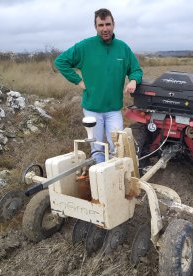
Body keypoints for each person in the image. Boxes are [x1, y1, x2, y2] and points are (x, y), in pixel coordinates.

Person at [54, 8, 143, 163]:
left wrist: (134, 80)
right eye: (101, 25)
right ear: (95, 27)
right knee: (97, 149)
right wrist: (78, 81)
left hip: (114, 110)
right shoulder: (85, 47)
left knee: (117, 148)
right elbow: (60, 62)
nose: (105, 29)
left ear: (113, 24)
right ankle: (100, 180)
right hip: (92, 109)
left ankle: (117, 181)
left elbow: (136, 69)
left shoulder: (123, 48)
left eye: (108, 24)